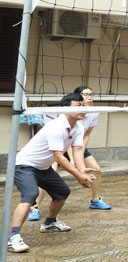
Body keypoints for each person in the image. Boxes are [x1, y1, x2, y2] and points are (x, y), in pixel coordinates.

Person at [7, 93, 94, 253]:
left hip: (43, 167)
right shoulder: (56, 126)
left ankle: (49, 223)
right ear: (66, 108)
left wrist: (83, 171)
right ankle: (13, 237)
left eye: (83, 105)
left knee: (62, 192)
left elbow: (77, 151)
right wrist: (78, 176)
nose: (83, 109)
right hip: (25, 165)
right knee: (31, 195)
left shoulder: (79, 127)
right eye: (78, 105)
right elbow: (59, 157)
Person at [30, 85, 112, 220]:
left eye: (91, 94)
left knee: (96, 169)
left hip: (77, 145)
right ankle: (35, 207)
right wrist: (72, 159)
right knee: (48, 174)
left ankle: (95, 200)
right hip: (58, 145)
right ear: (77, 98)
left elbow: (86, 135)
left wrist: (80, 154)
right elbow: (67, 137)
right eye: (86, 95)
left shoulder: (94, 112)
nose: (90, 97)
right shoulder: (68, 112)